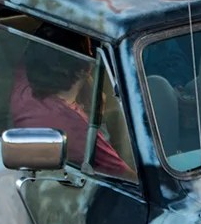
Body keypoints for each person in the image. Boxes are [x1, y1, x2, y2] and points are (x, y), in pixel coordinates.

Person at [9, 51, 133, 179]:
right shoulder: (79, 130)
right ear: (82, 70)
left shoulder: (24, 85)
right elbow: (129, 179)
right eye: (88, 49)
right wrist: (98, 118)